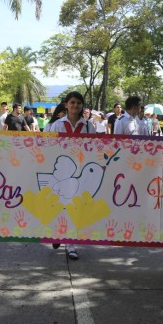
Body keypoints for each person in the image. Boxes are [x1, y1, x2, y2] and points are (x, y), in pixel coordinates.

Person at [50, 91, 96, 260]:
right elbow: (50, 146)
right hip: (61, 172)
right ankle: (57, 234)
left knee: (74, 207)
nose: (75, 106)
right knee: (58, 205)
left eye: (78, 103)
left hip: (79, 172)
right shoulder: (57, 125)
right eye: (72, 102)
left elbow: (94, 148)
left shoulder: (88, 126)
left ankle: (71, 244)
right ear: (66, 104)